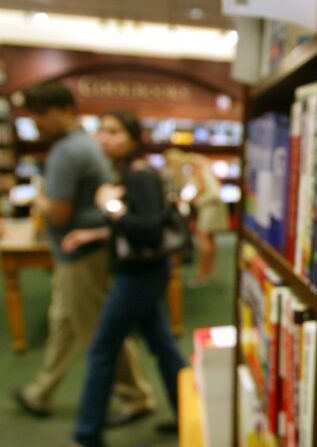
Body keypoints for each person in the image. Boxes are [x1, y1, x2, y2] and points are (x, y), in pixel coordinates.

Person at [13, 83, 155, 425]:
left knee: (100, 332)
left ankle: (136, 397)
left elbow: (60, 213)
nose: (36, 122)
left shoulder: (68, 152)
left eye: (41, 114)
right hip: (78, 252)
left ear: (63, 111)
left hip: (82, 253)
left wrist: (37, 197)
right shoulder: (77, 147)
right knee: (63, 323)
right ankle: (42, 390)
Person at [63, 110, 186, 447]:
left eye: (114, 131)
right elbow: (134, 229)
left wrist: (111, 208)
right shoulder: (129, 175)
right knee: (163, 347)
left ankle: (87, 435)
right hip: (142, 272)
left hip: (140, 275)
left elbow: (147, 232)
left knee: (103, 348)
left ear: (134, 138)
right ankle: (188, 412)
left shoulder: (139, 177)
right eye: (101, 130)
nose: (104, 138)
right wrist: (95, 234)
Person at [165, 149, 228, 286]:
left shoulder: (194, 164)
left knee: (203, 236)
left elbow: (202, 187)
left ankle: (203, 272)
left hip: (209, 205)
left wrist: (188, 200)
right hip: (213, 204)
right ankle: (209, 270)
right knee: (209, 238)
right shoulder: (199, 163)